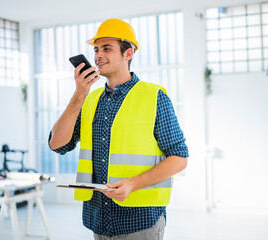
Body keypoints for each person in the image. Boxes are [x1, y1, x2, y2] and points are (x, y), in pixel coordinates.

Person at [49, 18, 188, 240]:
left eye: (106, 48)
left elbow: (179, 157)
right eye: (96, 49)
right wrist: (78, 95)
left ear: (128, 53)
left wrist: (132, 184)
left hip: (140, 220)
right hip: (98, 218)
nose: (97, 56)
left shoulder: (154, 96)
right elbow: (57, 145)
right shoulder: (88, 99)